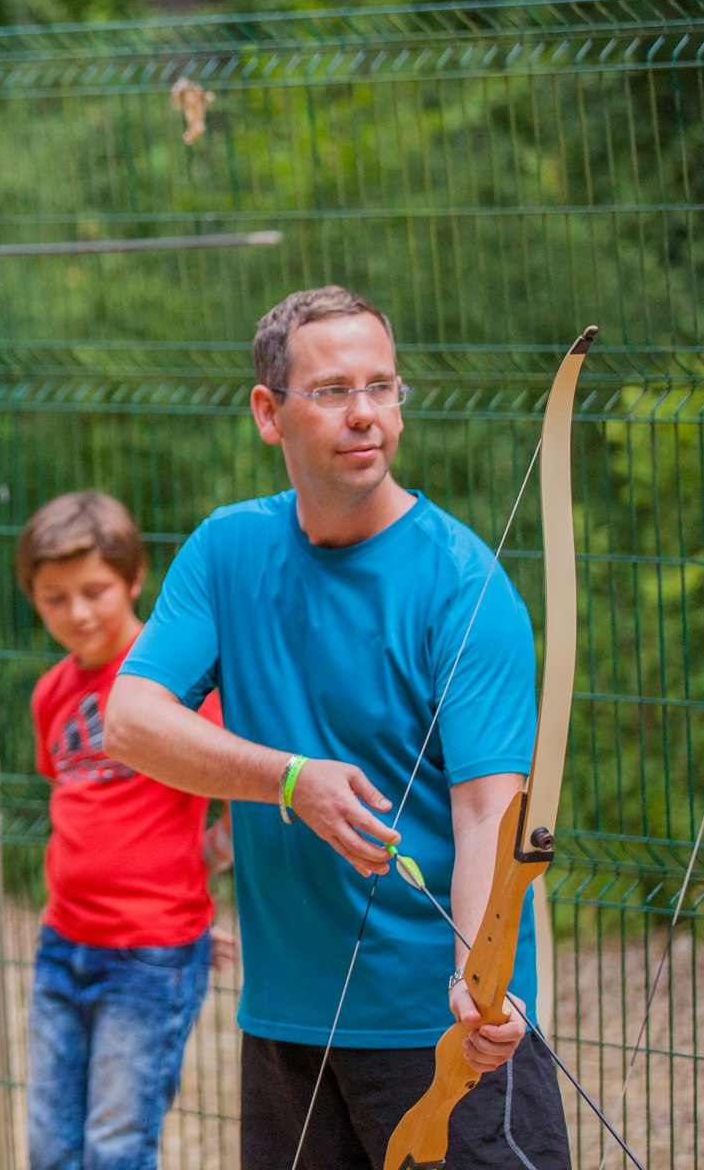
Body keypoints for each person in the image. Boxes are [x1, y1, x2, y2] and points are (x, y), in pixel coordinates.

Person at [104, 286, 567, 1169]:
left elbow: (488, 817)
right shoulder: (226, 551)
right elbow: (129, 720)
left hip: (445, 1037)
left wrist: (483, 987)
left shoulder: (463, 584)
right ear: (268, 413)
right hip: (284, 1027)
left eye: (383, 388)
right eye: (333, 391)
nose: (366, 415)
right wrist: (288, 779)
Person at [17, 490, 228, 1170]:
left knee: (115, 1149)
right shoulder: (51, 693)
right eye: (56, 598)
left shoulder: (174, 679)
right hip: (62, 946)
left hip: (150, 958)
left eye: (95, 591)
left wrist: (189, 888)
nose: (77, 613)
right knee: (51, 1147)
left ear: (134, 580)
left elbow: (240, 794)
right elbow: (78, 807)